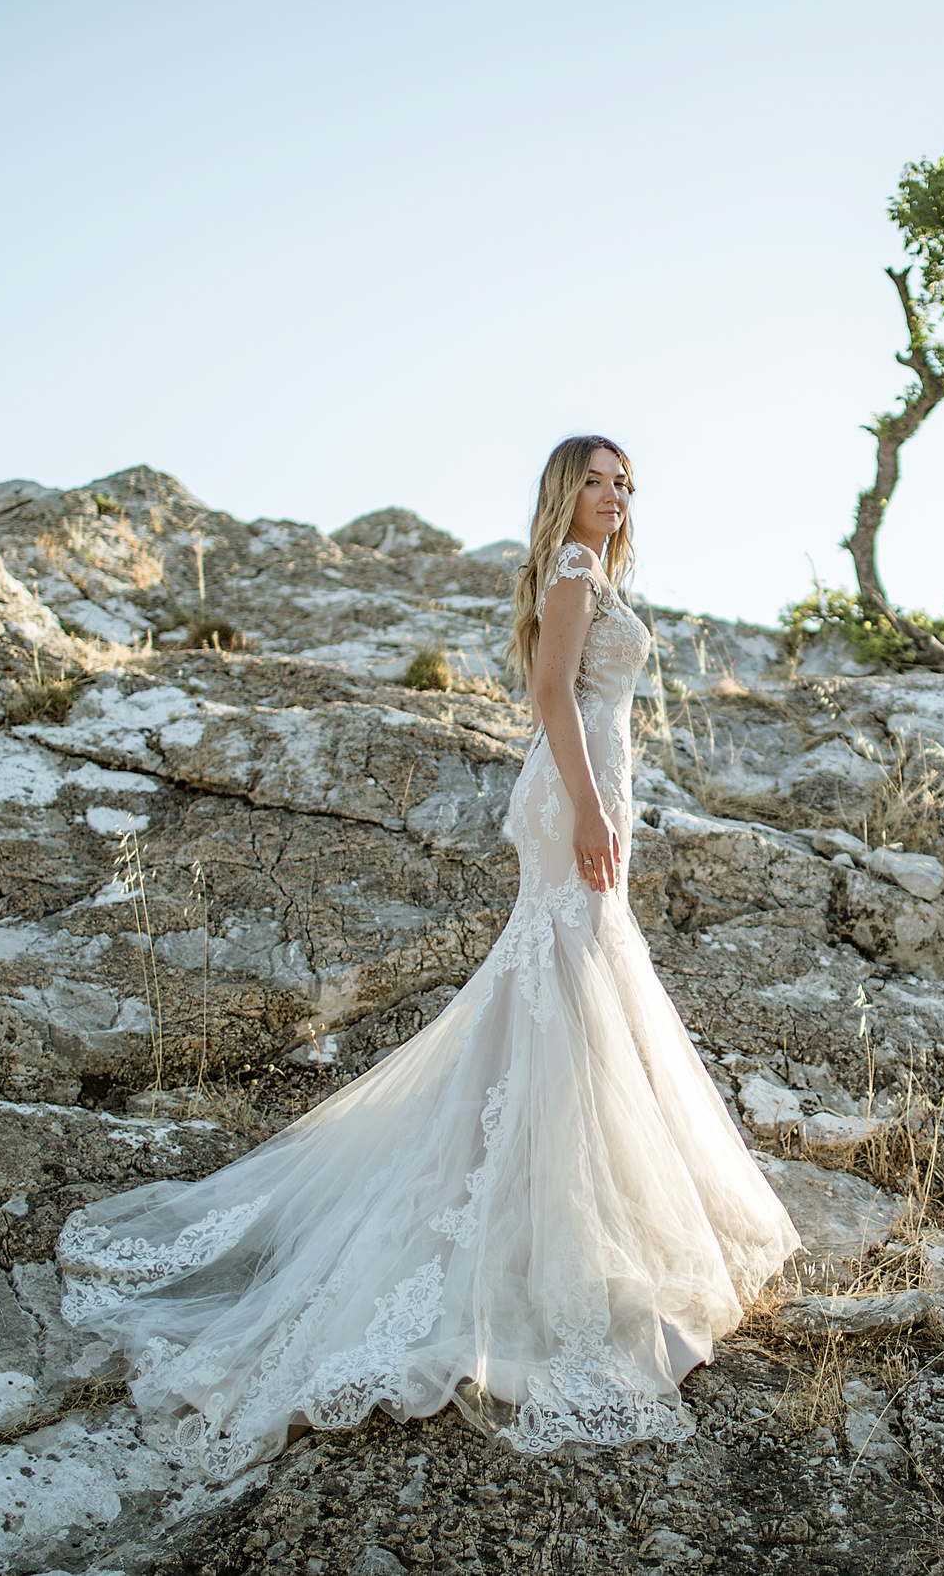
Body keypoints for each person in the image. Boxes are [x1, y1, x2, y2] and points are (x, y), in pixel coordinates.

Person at [57, 435, 800, 1472]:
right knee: (569, 973)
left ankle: (557, 1189)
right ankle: (536, 1205)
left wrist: (604, 801)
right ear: (562, 493)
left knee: (571, 979)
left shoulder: (594, 573)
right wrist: (589, 810)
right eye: (595, 479)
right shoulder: (574, 572)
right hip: (575, 795)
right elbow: (551, 697)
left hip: (595, 789)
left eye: (625, 481)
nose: (615, 495)